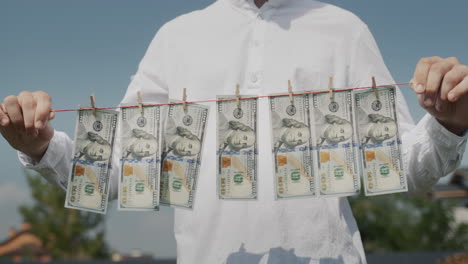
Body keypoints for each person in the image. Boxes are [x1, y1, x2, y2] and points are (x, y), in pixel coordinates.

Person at [1, 0, 468, 263]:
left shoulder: (344, 30)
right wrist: (43, 147)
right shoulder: (175, 38)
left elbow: (403, 167)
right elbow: (123, 170)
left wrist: (449, 121)